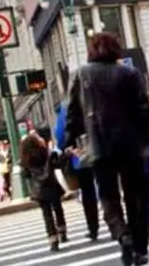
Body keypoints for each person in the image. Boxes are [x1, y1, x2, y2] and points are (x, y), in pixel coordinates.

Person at [65, 33, 149, 266]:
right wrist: (146, 134)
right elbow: (144, 109)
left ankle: (121, 233)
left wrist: (69, 141)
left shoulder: (82, 75)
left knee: (108, 196)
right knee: (135, 195)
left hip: (98, 144)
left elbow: (72, 111)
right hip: (130, 143)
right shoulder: (129, 73)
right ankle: (140, 248)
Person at [55, 101, 100, 241]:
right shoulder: (93, 95)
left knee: (88, 192)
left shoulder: (66, 107)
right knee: (107, 183)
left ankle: (93, 228)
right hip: (101, 149)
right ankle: (116, 222)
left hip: (80, 156)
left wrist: (66, 145)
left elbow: (61, 136)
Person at [20, 132, 67, 252]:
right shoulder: (43, 151)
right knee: (58, 208)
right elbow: (53, 164)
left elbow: (25, 174)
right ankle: (62, 231)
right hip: (51, 184)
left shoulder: (26, 158)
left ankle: (53, 239)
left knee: (47, 215)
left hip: (39, 189)